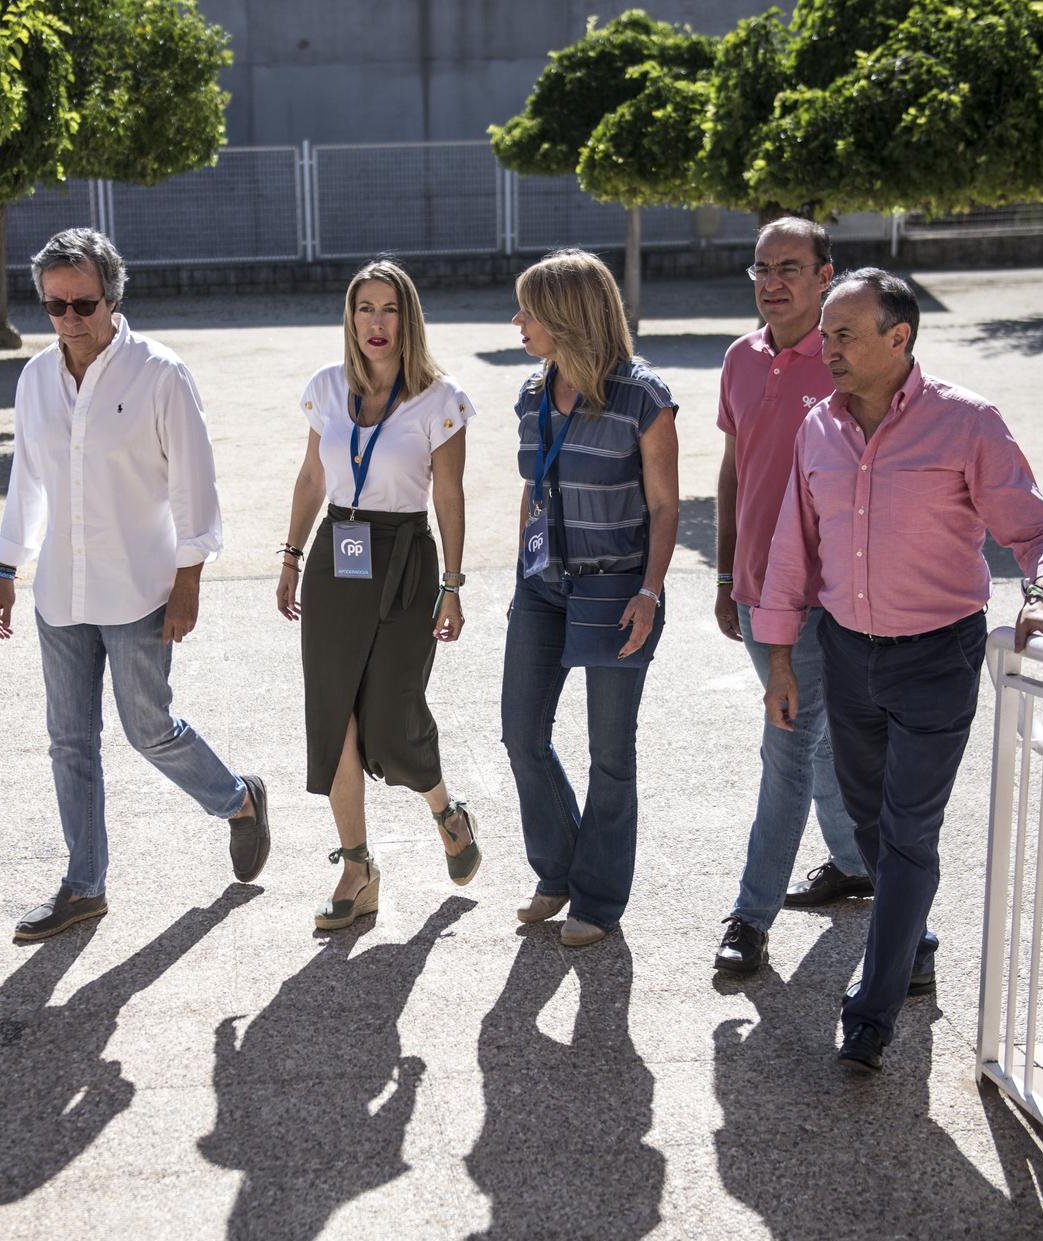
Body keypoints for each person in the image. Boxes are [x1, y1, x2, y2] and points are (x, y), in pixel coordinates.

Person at [755, 268, 1043, 1072]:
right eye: (825, 332)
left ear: (899, 337)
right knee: (869, 826)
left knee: (907, 833)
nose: (824, 346)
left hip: (938, 654)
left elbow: (1039, 529)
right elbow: (794, 547)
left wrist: (1041, 597)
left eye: (843, 334)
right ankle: (917, 941)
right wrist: (778, 659)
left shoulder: (967, 422)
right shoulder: (817, 428)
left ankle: (872, 1012)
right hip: (846, 652)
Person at [0, 228, 270, 942]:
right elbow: (27, 481)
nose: (70, 318)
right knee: (69, 740)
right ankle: (85, 885)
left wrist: (189, 580)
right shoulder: (34, 381)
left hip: (141, 588)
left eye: (83, 302)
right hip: (61, 593)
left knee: (148, 728)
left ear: (113, 295)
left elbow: (193, 486)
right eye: (55, 305)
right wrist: (4, 567)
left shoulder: (160, 373)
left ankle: (238, 800)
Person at [275, 260, 481, 930]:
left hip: (405, 561)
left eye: (389, 309)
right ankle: (357, 869)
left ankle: (446, 811)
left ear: (408, 318)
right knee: (333, 713)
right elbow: (313, 475)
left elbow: (447, 495)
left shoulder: (439, 398)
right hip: (338, 557)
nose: (376, 322)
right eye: (364, 308)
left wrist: (452, 583)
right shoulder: (326, 389)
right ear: (350, 316)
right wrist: (290, 555)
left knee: (391, 714)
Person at [500, 249, 678, 949]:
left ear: (569, 316)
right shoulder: (531, 393)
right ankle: (558, 869)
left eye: (530, 310)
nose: (518, 321)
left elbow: (665, 508)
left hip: (616, 585)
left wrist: (650, 592)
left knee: (611, 751)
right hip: (542, 583)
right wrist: (521, 570)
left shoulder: (642, 397)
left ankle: (598, 899)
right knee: (521, 733)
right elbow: (532, 487)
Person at [711, 217, 873, 979]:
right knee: (817, 744)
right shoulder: (740, 358)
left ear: (823, 275)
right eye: (761, 269)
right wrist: (722, 575)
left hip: (816, 601)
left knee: (786, 752)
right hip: (751, 592)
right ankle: (852, 863)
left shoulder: (845, 362)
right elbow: (733, 468)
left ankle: (750, 915)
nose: (772, 281)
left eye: (789, 268)